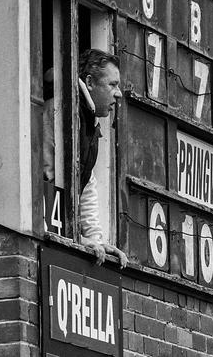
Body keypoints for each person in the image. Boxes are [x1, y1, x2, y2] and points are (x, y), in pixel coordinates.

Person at [76, 49, 128, 268]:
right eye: (112, 85)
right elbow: (45, 178)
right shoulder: (65, 113)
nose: (119, 94)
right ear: (89, 82)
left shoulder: (89, 121)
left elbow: (85, 182)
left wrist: (95, 239)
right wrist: (73, 235)